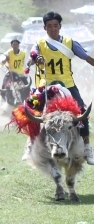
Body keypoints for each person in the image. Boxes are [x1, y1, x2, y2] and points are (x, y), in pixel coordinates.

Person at [33, 11, 94, 164]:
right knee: (34, 112)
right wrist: (36, 59)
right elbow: (32, 57)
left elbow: (86, 57)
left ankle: (87, 147)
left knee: (82, 111)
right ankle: (32, 147)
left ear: (60, 27)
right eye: (49, 26)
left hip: (68, 84)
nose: (53, 29)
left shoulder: (69, 42)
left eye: (55, 26)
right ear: (44, 28)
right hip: (48, 86)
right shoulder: (39, 44)